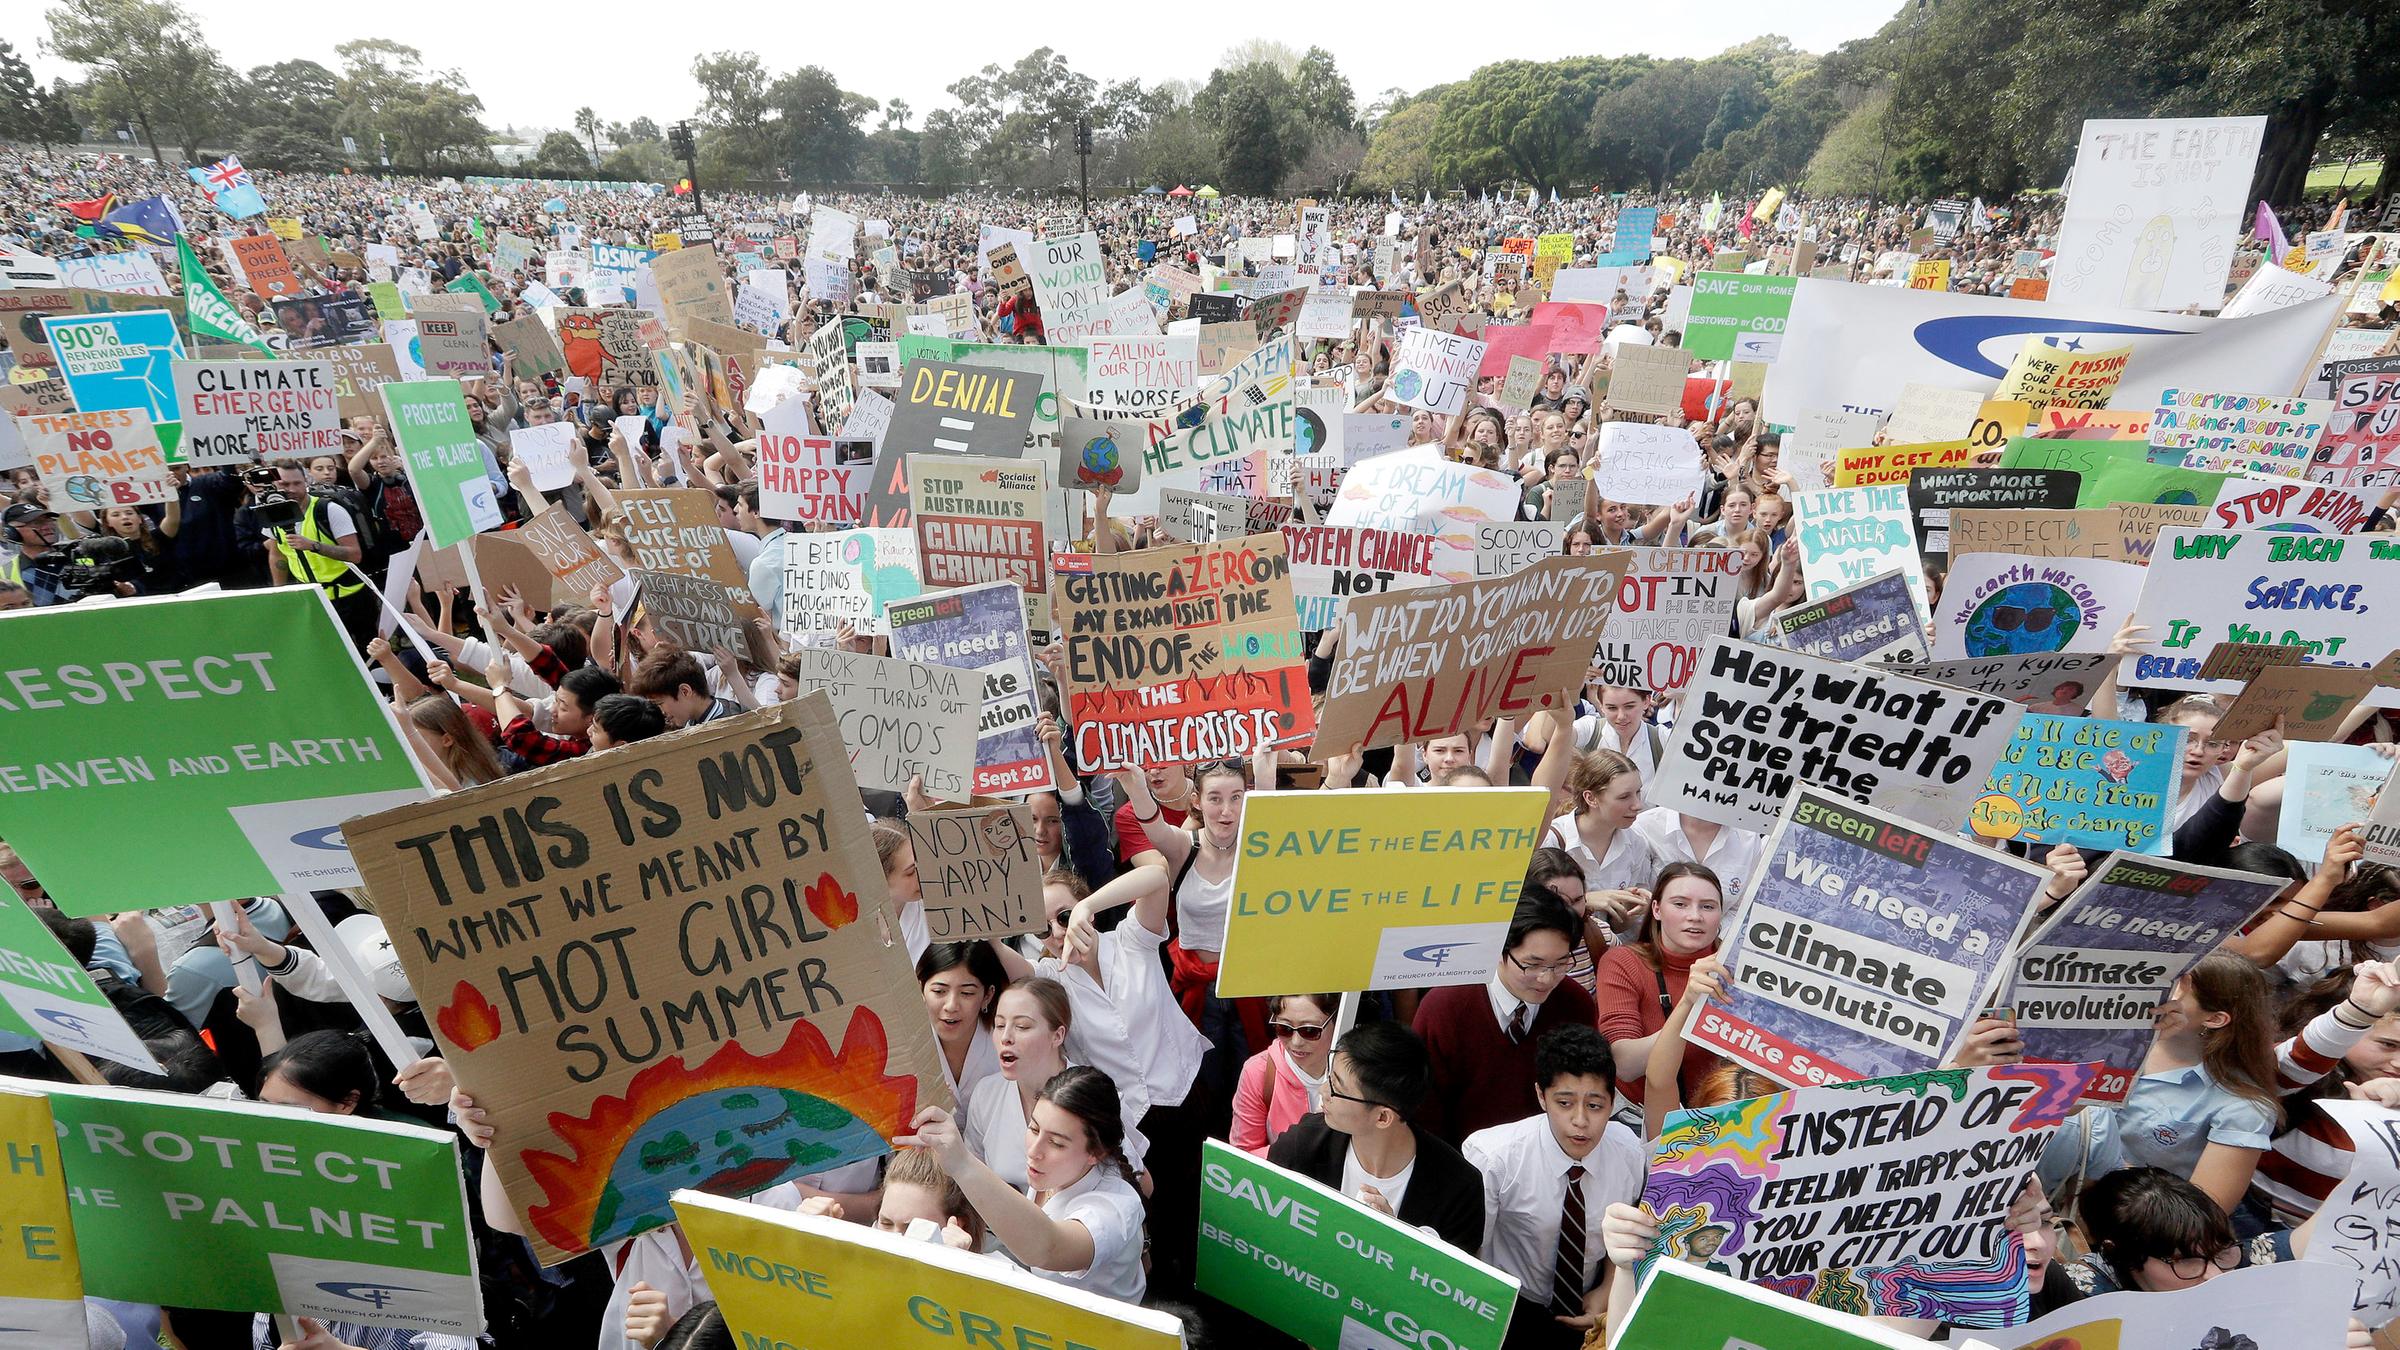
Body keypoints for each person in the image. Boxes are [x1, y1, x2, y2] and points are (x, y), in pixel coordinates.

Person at [901, 1067, 1149, 1303]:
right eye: (1034, 1128)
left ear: (1096, 1152)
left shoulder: (1116, 1207)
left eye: (1057, 1143)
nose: (1034, 1150)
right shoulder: (1052, 1172)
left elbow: (1047, 1248)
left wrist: (963, 1163)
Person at [1462, 1026, 1643, 1349]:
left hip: (1592, 1305)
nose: (1580, 1121)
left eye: (1595, 1106)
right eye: (1564, 1103)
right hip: (1512, 1308)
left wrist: (1608, 1290)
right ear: (1541, 1096)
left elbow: (1625, 1234)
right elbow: (1472, 1256)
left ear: (1613, 1102)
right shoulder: (1494, 1157)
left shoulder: (1628, 1152)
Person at [1268, 1020, 1485, 1254]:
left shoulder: (1459, 1188)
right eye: (1330, 1077)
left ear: (1383, 1117)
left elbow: (1454, 1283)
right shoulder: (1301, 1147)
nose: (1323, 1091)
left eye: (1337, 1088)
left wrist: (1395, 1241)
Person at [1414, 896, 1602, 1144]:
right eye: (1531, 965)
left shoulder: (1574, 1003)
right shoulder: (1445, 1008)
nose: (1546, 979)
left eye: (1560, 964)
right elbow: (1424, 1111)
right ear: (1499, 951)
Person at [1592, 863, 1726, 1124]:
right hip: (1641, 1118)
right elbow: (1625, 1065)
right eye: (1680, 904)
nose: (1695, 916)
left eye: (1708, 906)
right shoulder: (1622, 962)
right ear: (1656, 909)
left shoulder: (1738, 968)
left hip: (1725, 1115)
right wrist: (1689, 1003)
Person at [1230, 991, 1337, 1156]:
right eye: (1284, 1028)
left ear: (1337, 1022)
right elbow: (1243, 1156)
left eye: (1309, 1030)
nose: (1296, 1042)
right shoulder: (1258, 1072)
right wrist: (1294, 1149)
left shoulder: (1359, 1072)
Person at [918, 941, 1006, 1107]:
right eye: (939, 991)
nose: (951, 1006)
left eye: (966, 993)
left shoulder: (1005, 1044)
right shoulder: (907, 1044)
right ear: (921, 988)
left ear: (987, 995)